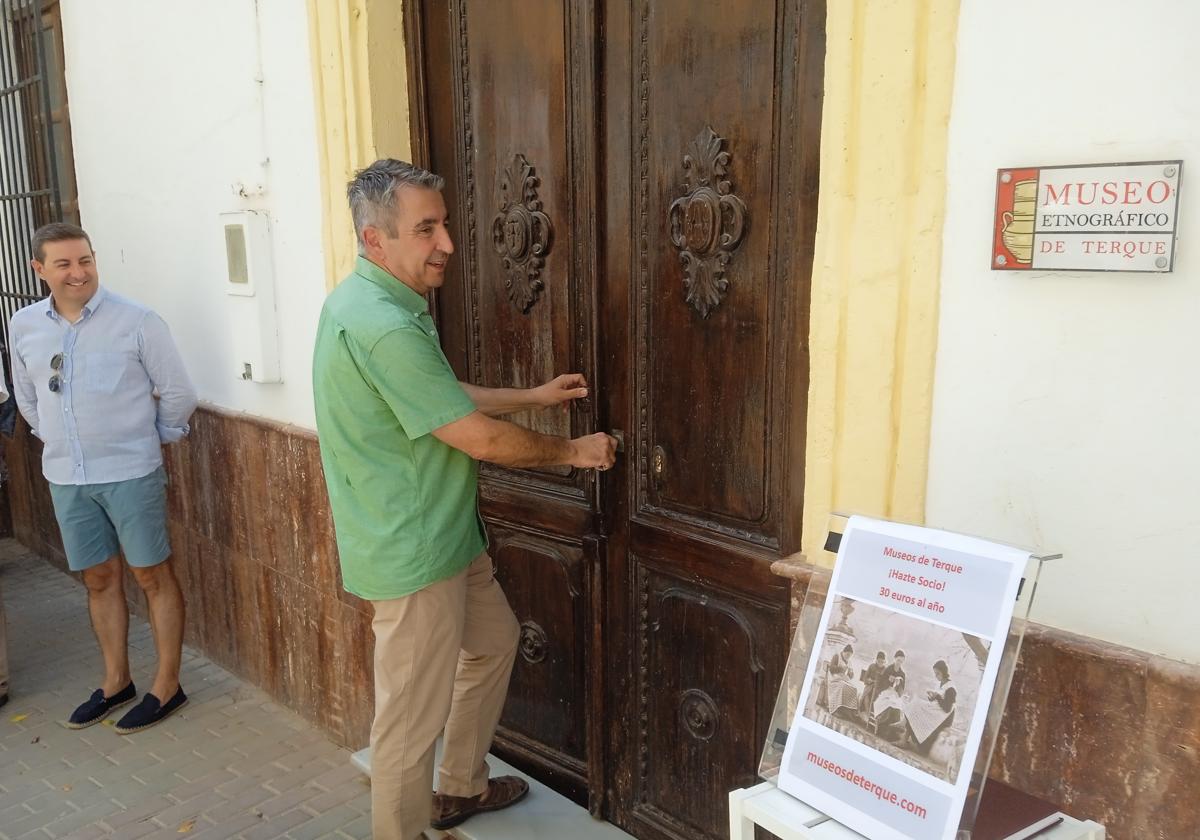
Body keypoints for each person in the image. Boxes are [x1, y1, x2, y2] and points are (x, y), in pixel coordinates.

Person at [312, 159, 617, 840]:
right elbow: (475, 437)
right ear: (375, 239)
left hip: (446, 537)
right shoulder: (384, 326)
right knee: (405, 726)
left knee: (494, 641)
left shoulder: (372, 303)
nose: (446, 243)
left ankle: (458, 787)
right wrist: (572, 452)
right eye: (426, 230)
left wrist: (533, 399)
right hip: (416, 554)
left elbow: (441, 399)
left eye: (442, 224)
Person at [9, 223, 197, 734]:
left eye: (85, 260)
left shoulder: (137, 321)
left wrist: (152, 438)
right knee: (98, 579)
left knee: (151, 575)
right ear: (39, 270)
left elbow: (178, 391)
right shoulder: (24, 324)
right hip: (67, 476)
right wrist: (54, 437)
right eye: (65, 264)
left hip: (130, 473)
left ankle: (167, 684)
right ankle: (116, 681)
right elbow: (26, 394)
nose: (78, 273)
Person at [903, 659, 957, 754]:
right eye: (935, 674)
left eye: (938, 673)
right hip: (937, 711)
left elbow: (947, 708)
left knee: (917, 705)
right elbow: (938, 700)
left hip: (945, 716)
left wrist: (937, 697)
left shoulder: (950, 688)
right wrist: (932, 697)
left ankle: (904, 734)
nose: (936, 676)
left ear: (944, 672)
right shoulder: (940, 684)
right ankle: (904, 730)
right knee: (916, 702)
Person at [859, 650, 887, 715]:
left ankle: (875, 714)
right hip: (869, 687)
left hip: (878, 689)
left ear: (884, 662)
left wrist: (879, 684)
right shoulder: (872, 666)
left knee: (879, 699)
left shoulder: (885, 670)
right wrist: (868, 680)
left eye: (882, 662)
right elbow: (865, 678)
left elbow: (885, 683)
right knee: (866, 696)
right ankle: (867, 713)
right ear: (876, 660)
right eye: (879, 661)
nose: (880, 663)